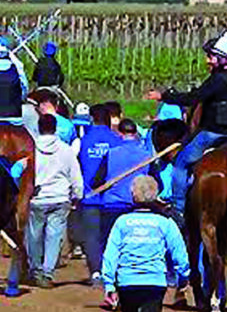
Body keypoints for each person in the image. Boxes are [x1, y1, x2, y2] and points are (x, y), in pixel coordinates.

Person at [101, 175, 190, 312]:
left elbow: (110, 254)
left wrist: (109, 283)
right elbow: (180, 254)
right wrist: (183, 277)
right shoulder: (165, 223)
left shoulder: (122, 222)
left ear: (133, 195)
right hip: (153, 283)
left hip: (127, 282)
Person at [157, 31, 227, 217]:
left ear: (220, 59)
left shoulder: (216, 81)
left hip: (214, 134)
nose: (207, 61)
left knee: (180, 164)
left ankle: (178, 209)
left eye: (210, 57)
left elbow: (192, 98)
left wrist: (164, 96)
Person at [25, 113, 83, 288]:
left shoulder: (31, 149)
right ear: (55, 128)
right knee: (54, 236)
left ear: (39, 128)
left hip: (37, 198)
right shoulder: (66, 150)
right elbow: (75, 176)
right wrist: (77, 196)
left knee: (34, 235)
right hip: (60, 198)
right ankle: (47, 271)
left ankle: (35, 269)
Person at [74, 104, 121, 285]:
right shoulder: (116, 140)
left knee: (92, 237)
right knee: (110, 237)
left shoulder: (84, 141)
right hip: (112, 198)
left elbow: (76, 166)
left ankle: (95, 272)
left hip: (89, 197)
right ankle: (112, 271)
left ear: (92, 119)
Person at [92, 118, 154, 253]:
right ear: (135, 133)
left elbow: (96, 182)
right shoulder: (147, 156)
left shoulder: (111, 154)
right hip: (137, 207)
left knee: (110, 247)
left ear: (119, 133)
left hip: (112, 206)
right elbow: (156, 183)